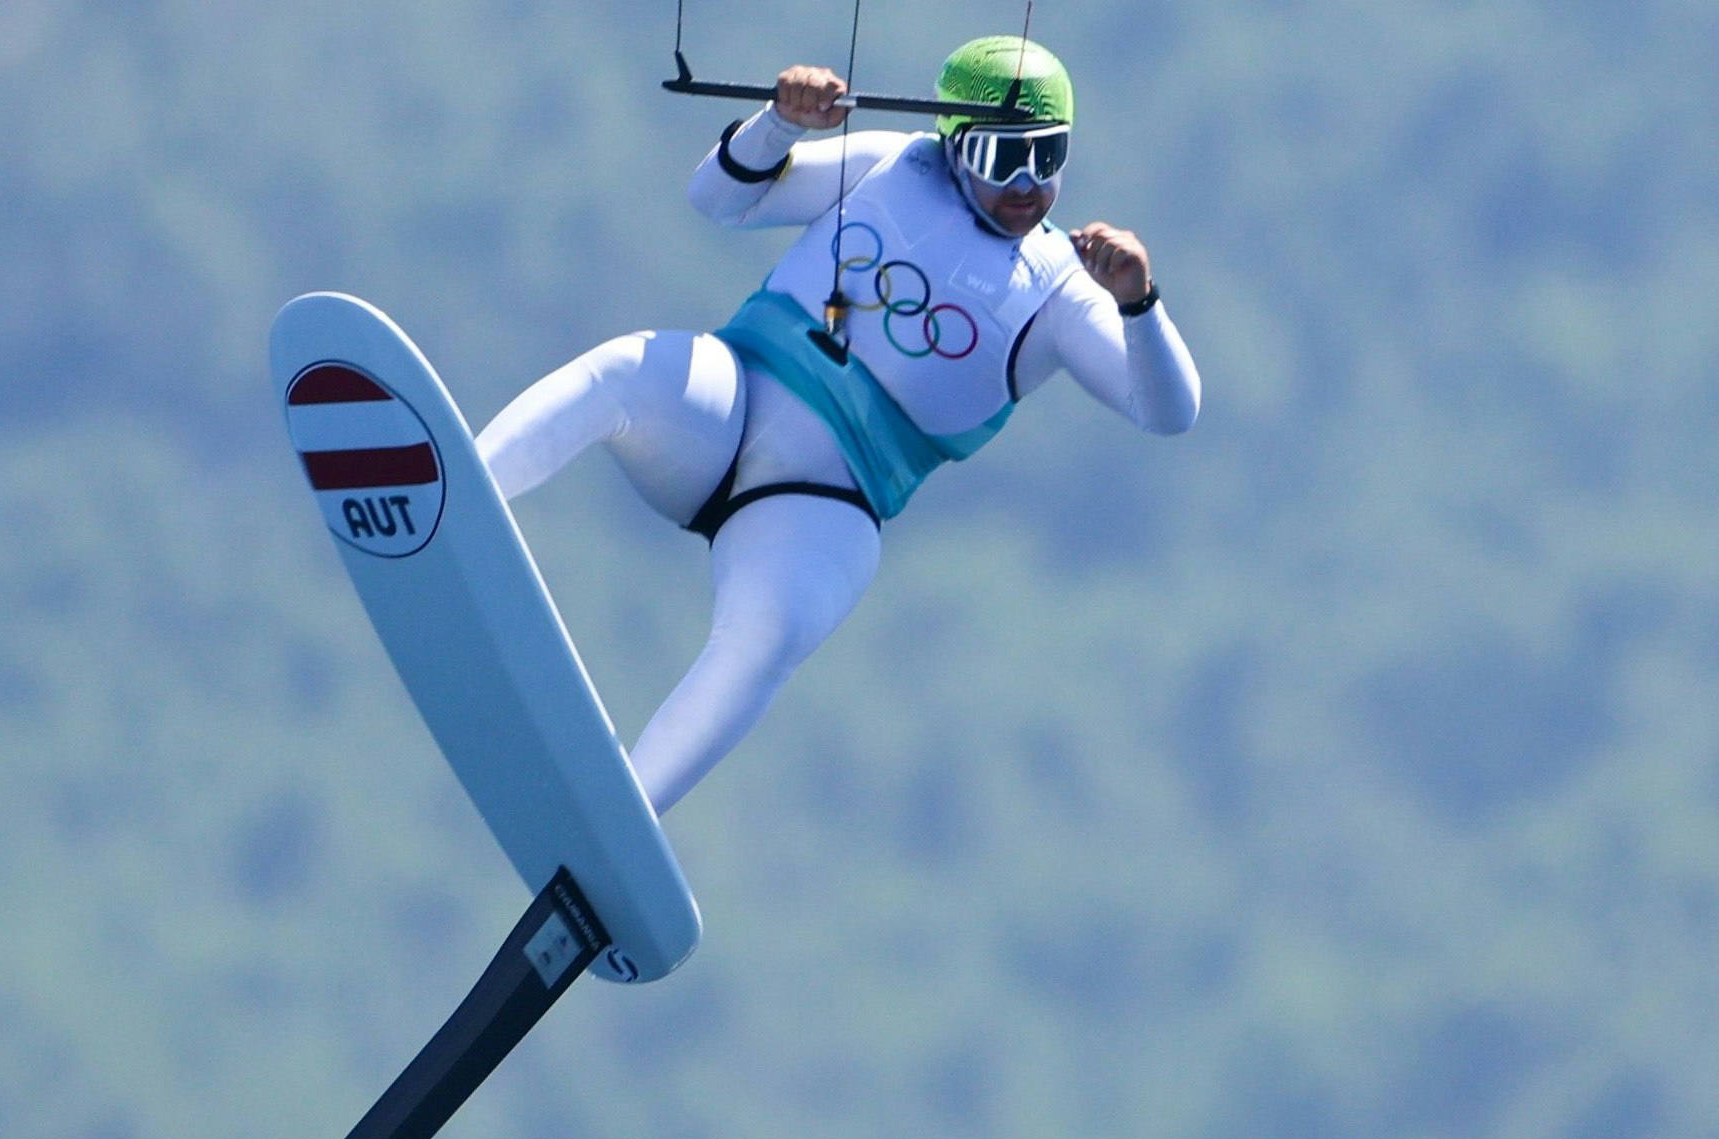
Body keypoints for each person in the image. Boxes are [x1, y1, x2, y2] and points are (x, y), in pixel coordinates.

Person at [475, 36, 1201, 815]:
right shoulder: (896, 166)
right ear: (954, 143)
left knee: (769, 635)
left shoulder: (1063, 289)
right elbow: (717, 198)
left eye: (1047, 156)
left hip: (820, 505)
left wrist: (1138, 301)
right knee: (623, 370)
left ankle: (620, 817)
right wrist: (779, 125)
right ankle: (464, 487)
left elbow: (1167, 410)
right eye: (1001, 157)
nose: (1027, 185)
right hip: (728, 406)